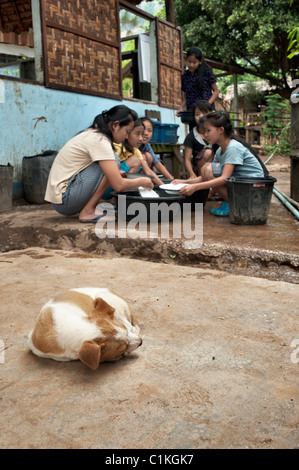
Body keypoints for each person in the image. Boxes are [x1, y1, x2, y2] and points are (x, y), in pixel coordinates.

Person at [45, 105, 154, 223]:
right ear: (115, 125)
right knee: (114, 161)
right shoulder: (99, 140)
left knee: (112, 163)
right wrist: (143, 181)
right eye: (127, 132)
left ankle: (88, 209)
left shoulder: (94, 134)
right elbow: (119, 185)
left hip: (63, 198)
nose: (127, 136)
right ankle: (88, 211)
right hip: (65, 199)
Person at [173, 111, 265, 216]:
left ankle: (235, 204)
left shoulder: (233, 148)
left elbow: (224, 177)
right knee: (206, 169)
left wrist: (195, 187)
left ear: (221, 130)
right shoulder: (220, 150)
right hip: (243, 185)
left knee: (208, 168)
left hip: (254, 190)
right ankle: (232, 202)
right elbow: (206, 177)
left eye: (208, 131)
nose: (205, 135)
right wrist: (184, 182)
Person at [176, 47, 219, 125]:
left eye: (194, 62)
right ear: (186, 60)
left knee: (208, 131)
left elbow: (216, 91)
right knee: (195, 134)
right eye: (189, 62)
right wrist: (181, 107)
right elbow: (186, 96)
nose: (191, 65)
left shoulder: (206, 72)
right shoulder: (185, 76)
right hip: (192, 113)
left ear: (200, 62)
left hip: (206, 112)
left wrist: (207, 105)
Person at [114, 118, 163, 187]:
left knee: (141, 165)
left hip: (121, 184)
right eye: (137, 134)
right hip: (110, 184)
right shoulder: (117, 147)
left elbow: (148, 171)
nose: (141, 138)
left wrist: (163, 186)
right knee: (135, 160)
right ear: (127, 134)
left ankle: (122, 196)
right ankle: (119, 195)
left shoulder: (135, 150)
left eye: (142, 134)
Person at [183, 100, 215, 178]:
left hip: (216, 167)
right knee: (207, 152)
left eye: (204, 113)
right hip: (200, 170)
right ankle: (203, 179)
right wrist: (191, 174)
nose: (201, 116)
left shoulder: (216, 132)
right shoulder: (191, 136)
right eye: (197, 114)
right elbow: (187, 159)